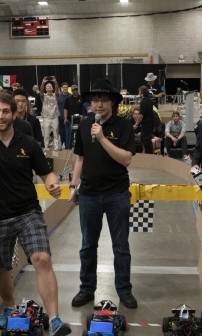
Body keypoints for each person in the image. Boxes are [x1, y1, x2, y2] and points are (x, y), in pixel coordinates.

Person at [0, 91, 72, 336]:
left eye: (5, 111)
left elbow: (47, 173)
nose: (0, 116)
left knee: (42, 258)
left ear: (14, 113)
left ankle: (55, 319)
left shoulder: (28, 143)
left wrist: (53, 184)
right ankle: (9, 306)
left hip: (28, 212)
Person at [70, 80, 137, 309]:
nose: (98, 104)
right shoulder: (84, 125)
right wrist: (73, 185)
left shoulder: (123, 126)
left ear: (113, 103)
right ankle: (86, 289)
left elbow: (126, 158)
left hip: (117, 194)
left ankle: (124, 290)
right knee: (88, 246)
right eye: (95, 100)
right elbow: (80, 159)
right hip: (89, 195)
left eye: (104, 100)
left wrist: (101, 138)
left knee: (121, 247)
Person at [39, 81, 61, 152]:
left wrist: (55, 82)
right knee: (46, 134)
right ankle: (46, 148)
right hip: (46, 117)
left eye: (50, 86)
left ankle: (56, 148)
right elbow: (41, 92)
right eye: (47, 86)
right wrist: (43, 83)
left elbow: (57, 91)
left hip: (55, 116)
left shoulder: (55, 95)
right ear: (46, 89)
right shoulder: (44, 96)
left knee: (56, 133)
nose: (49, 87)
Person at [137, 86, 156, 154]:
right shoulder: (150, 101)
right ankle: (147, 153)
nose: (139, 94)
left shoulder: (143, 102)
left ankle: (149, 155)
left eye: (139, 92)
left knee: (146, 140)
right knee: (146, 139)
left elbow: (141, 115)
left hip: (146, 124)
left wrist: (136, 124)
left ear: (142, 94)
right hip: (151, 123)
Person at [63, 85, 83, 149]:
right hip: (69, 121)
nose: (75, 91)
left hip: (80, 121)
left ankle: (79, 150)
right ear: (72, 91)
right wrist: (65, 118)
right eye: (74, 90)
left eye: (76, 90)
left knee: (79, 136)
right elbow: (65, 109)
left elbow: (85, 108)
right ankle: (68, 150)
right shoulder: (68, 99)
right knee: (69, 137)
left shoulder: (82, 98)